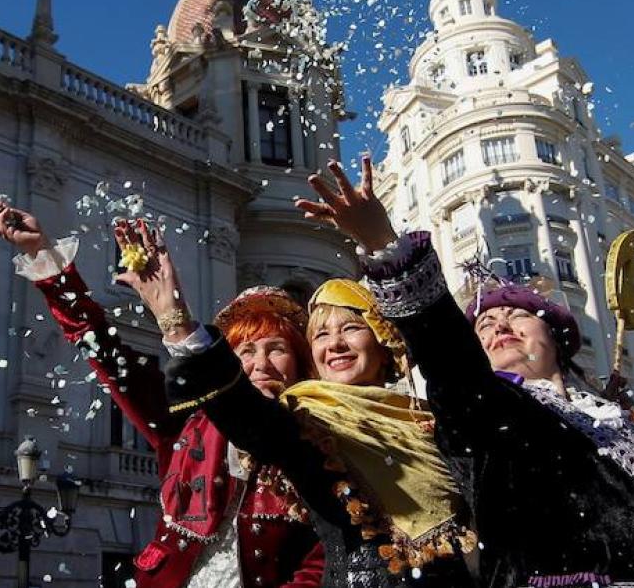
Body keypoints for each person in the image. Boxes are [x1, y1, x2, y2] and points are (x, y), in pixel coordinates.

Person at [293, 157, 634, 588]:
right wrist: (386, 245)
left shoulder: (622, 431)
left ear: (556, 338)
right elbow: (449, 357)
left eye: (514, 314)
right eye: (484, 325)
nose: (497, 327)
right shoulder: (488, 412)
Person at [110, 221, 476, 588]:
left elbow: (459, 372)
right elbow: (245, 414)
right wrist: (176, 322)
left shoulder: (431, 421)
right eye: (321, 334)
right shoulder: (305, 423)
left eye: (351, 328)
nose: (335, 344)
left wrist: (385, 245)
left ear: (384, 342)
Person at [0, 198, 323, 588]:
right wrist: (43, 255)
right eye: (245, 351)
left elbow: (320, 563)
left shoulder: (318, 442)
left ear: (299, 363)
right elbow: (103, 351)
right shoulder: (187, 423)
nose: (260, 363)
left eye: (276, 349)